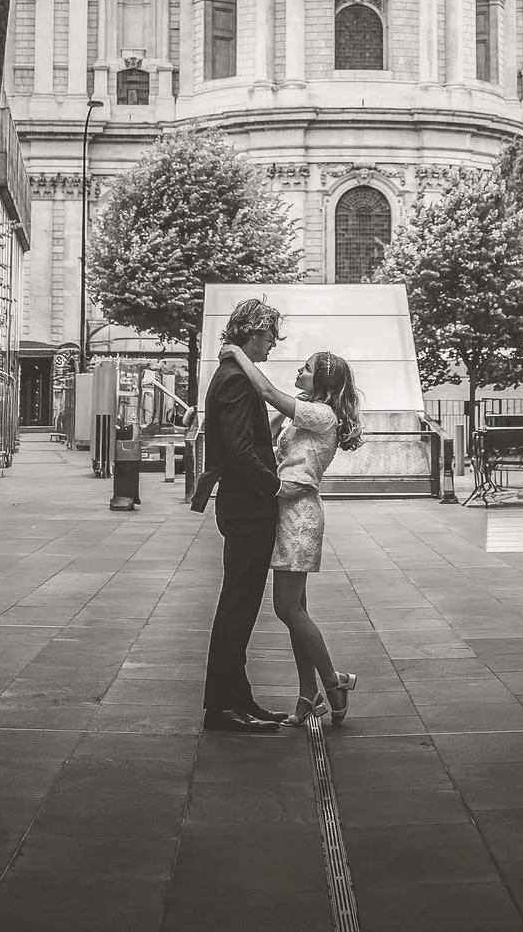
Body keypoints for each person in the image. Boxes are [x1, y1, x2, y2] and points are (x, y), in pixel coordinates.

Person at [224, 344, 362, 724]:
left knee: (286, 608)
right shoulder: (307, 413)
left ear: (322, 381)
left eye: (306, 368)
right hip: (286, 510)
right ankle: (308, 694)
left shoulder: (321, 414)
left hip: (299, 516)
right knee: (295, 610)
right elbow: (266, 437)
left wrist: (238, 353)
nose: (299, 372)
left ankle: (333, 681)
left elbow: (267, 393)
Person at [201, 299, 291, 733]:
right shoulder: (236, 380)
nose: (273, 344)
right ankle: (221, 707)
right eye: (270, 335)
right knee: (237, 608)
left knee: (240, 606)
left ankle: (239, 699)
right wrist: (275, 487)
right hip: (248, 509)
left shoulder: (232, 374)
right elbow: (238, 451)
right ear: (253, 333)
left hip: (241, 507)